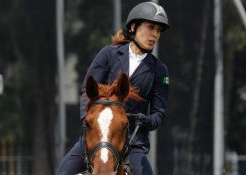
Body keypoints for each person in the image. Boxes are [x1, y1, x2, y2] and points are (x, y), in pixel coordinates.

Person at [56, 1, 170, 175]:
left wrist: (146, 121)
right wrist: (89, 121)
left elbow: (158, 114)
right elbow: (87, 91)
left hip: (133, 140)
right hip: (97, 134)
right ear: (133, 27)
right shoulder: (108, 54)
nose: (155, 34)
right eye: (151, 27)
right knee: (63, 172)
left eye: (158, 30)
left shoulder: (160, 71)